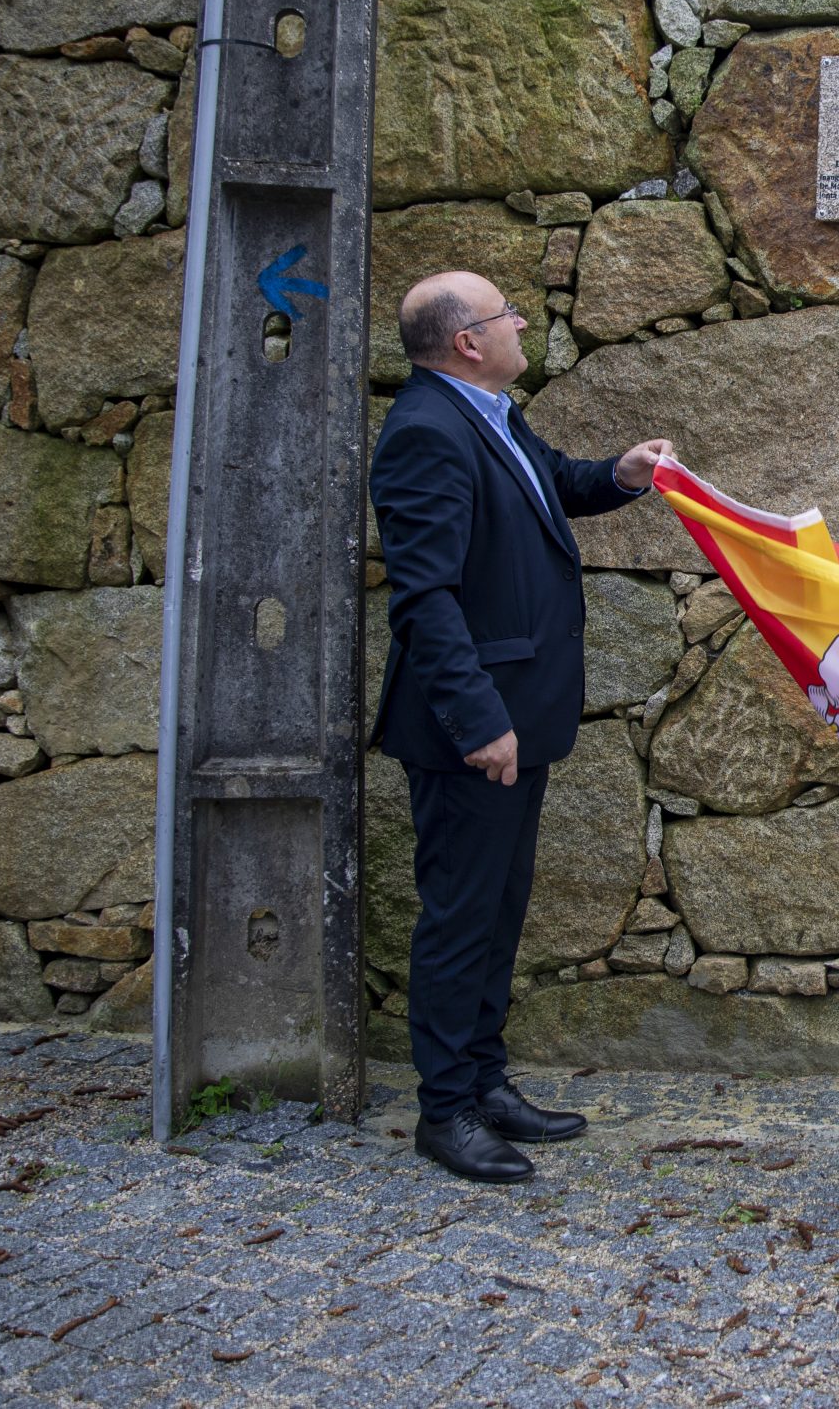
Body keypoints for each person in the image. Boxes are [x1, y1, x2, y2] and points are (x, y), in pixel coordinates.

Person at [370, 270, 672, 1184]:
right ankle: (446, 1110)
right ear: (467, 340)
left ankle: (485, 1079)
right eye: (506, 313)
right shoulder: (426, 432)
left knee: (498, 913)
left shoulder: (489, 411)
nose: (523, 320)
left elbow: (550, 489)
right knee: (460, 917)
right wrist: (479, 721)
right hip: (478, 733)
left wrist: (619, 477)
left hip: (517, 721)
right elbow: (423, 598)